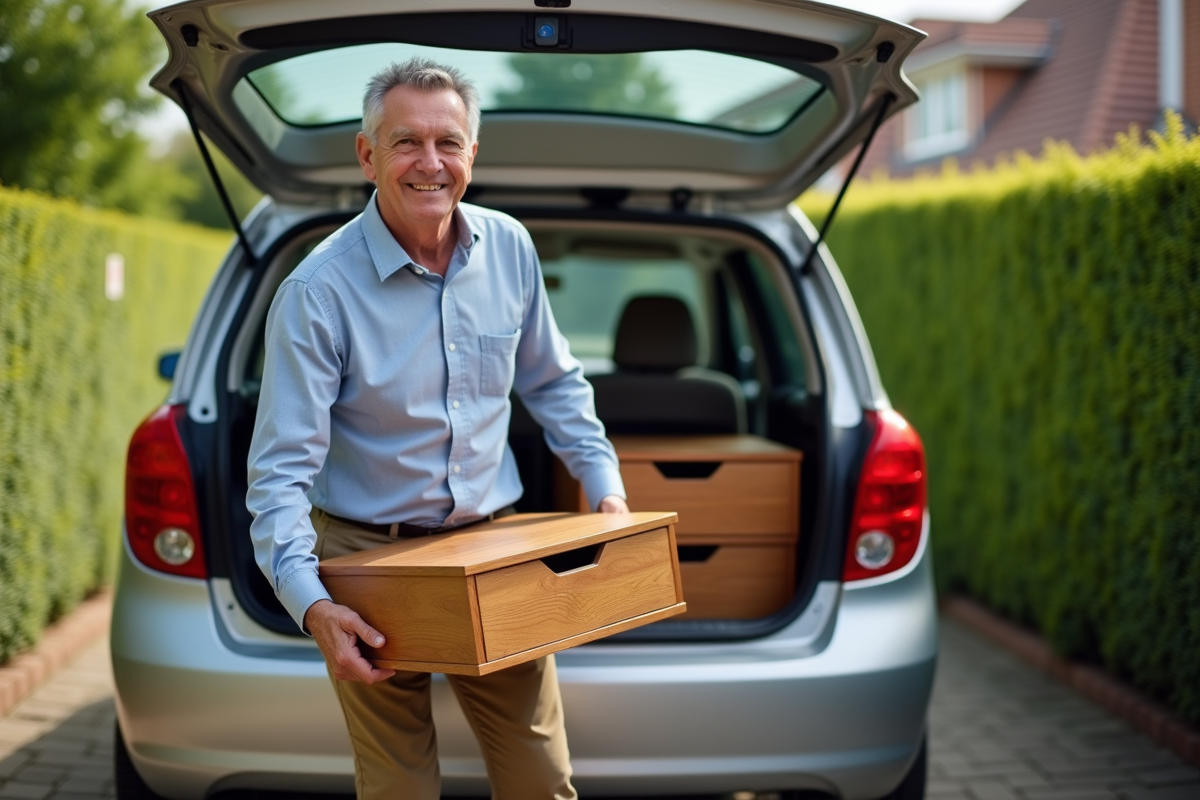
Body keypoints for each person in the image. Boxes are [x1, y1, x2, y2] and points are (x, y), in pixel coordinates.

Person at [246, 57, 629, 800]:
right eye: (406, 143)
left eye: (448, 142)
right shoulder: (317, 291)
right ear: (367, 156)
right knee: (400, 789)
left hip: (492, 548)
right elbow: (281, 474)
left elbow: (553, 382)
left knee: (542, 780)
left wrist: (604, 487)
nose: (431, 163)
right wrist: (312, 604)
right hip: (366, 563)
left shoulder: (510, 247)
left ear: (472, 155)